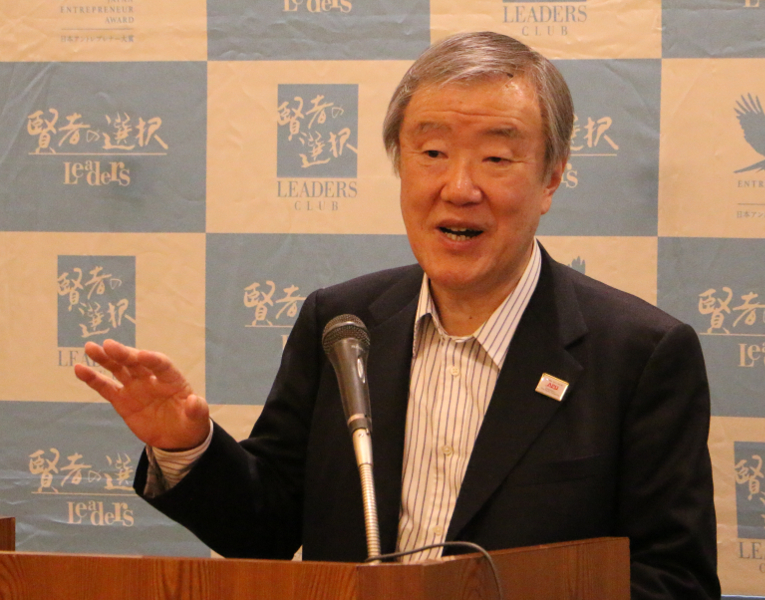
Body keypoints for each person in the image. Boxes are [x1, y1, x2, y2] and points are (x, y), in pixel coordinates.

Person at [75, 31, 720, 599]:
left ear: (551, 178)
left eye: (496, 158)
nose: (459, 187)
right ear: (400, 166)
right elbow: (265, 528)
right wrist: (187, 447)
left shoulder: (640, 356)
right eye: (432, 153)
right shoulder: (341, 325)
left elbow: (675, 581)